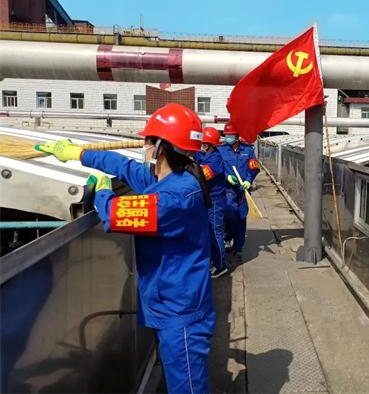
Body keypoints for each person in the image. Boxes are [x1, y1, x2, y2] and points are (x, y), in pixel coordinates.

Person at [36, 104, 215, 394]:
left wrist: (103, 190)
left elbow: (115, 214)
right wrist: (80, 154)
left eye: (147, 141)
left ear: (161, 147)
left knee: (188, 389)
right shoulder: (172, 180)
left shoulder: (174, 198)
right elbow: (125, 167)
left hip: (180, 313)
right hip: (175, 303)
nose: (144, 148)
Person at [218, 122, 260, 258]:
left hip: (243, 191)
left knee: (242, 217)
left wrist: (249, 180)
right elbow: (217, 167)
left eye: (230, 135)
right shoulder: (221, 150)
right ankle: (227, 238)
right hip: (228, 190)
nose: (228, 138)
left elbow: (254, 167)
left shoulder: (248, 150)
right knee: (229, 215)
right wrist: (227, 177)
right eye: (226, 135)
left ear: (236, 136)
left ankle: (238, 247)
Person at [195, 126, 228, 278]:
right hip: (208, 199)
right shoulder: (206, 155)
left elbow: (202, 176)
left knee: (215, 233)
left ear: (209, 145)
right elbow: (197, 157)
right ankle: (214, 261)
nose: (201, 146)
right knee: (209, 232)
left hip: (215, 201)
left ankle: (221, 265)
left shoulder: (215, 159)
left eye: (203, 143)